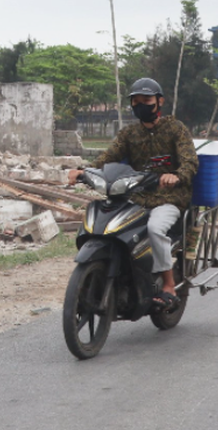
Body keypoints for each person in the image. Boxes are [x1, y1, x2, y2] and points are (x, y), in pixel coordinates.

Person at [68, 78, 198, 313]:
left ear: (159, 101)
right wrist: (85, 171)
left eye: (146, 100)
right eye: (136, 102)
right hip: (136, 197)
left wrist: (177, 176)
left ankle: (168, 285)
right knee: (113, 226)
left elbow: (190, 162)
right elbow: (108, 157)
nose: (141, 105)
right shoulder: (130, 133)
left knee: (155, 229)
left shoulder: (176, 129)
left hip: (169, 198)